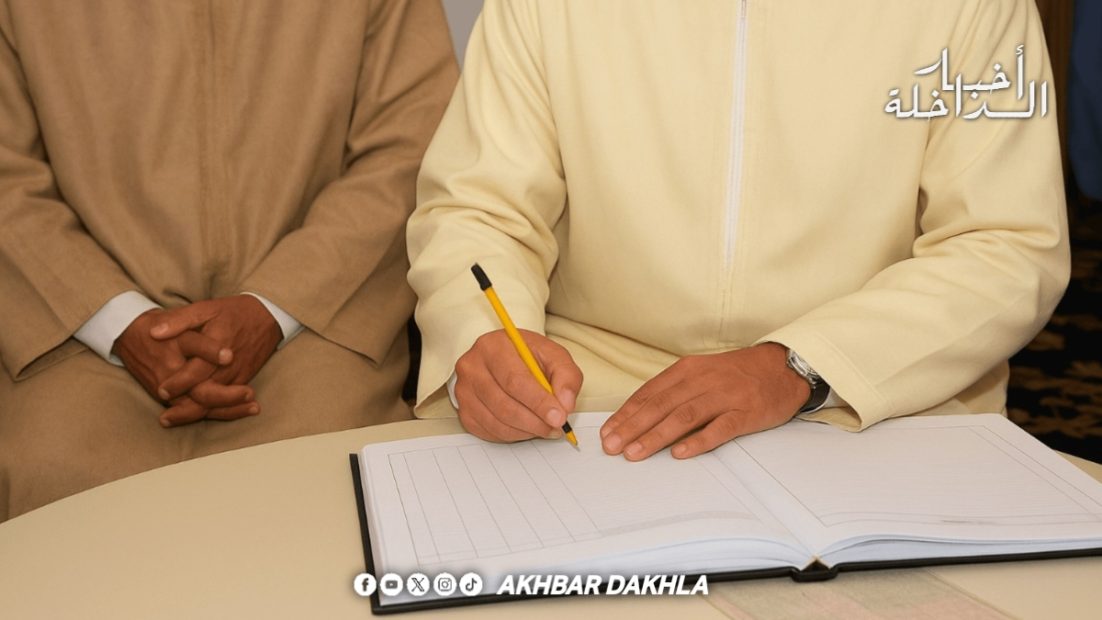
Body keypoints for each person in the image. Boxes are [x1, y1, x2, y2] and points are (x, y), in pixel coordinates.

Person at [407, 0, 1070, 461]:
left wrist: (802, 364)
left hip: (878, 402)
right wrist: (488, 339)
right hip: (588, 408)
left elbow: (1007, 245)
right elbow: (480, 211)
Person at [0, 0, 457, 520]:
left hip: (317, 323)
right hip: (71, 331)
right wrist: (118, 322)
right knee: (51, 477)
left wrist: (272, 308)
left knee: (335, 488)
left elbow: (411, 149)